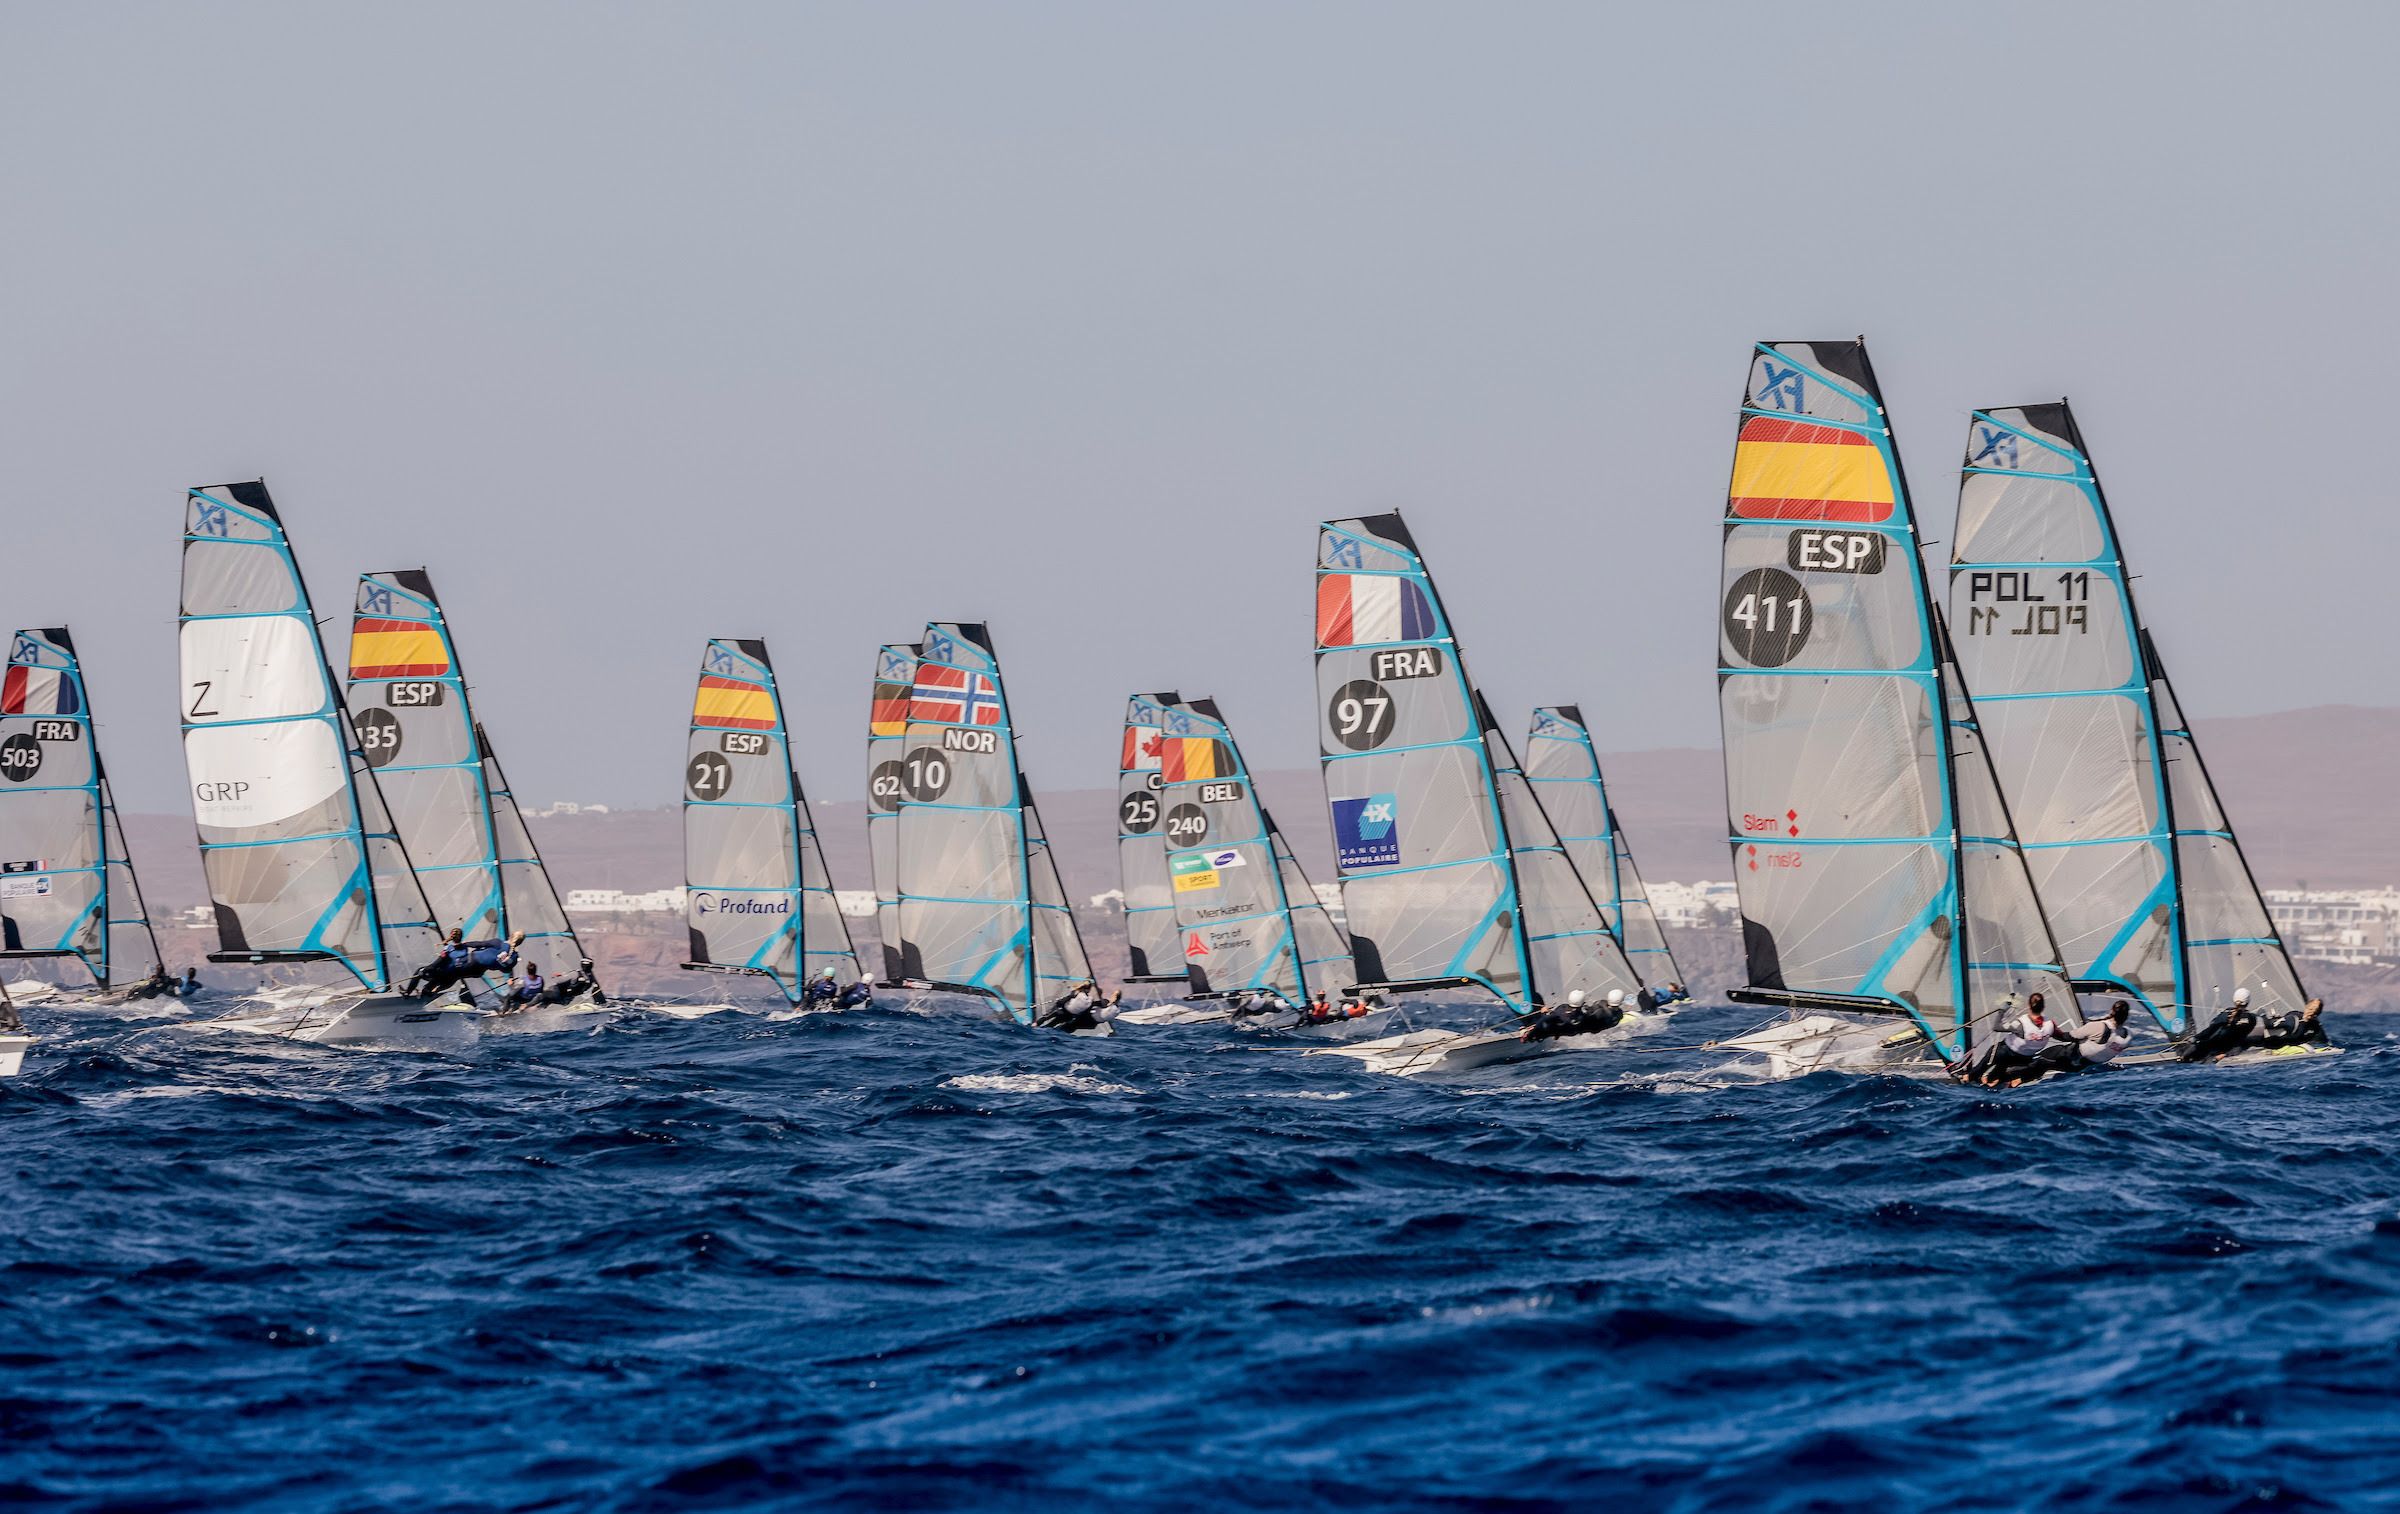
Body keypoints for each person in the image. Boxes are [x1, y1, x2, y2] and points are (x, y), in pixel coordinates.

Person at [1968, 992, 2069, 1085]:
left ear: (2029, 1006)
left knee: (1994, 1055)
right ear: (2043, 1007)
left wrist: (2002, 1011)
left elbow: (1996, 1027)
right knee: (2001, 1065)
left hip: (2005, 1053)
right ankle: (1992, 1079)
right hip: (2023, 1059)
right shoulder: (2050, 1025)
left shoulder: (2020, 1024)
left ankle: (1970, 1077)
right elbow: (2063, 1037)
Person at [2178, 988, 2261, 1062]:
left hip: (2213, 1045)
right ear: (2248, 1001)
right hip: (2230, 1048)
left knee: (2202, 1043)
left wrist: (2195, 1037)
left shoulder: (2226, 1013)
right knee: (2246, 1042)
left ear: (2234, 999)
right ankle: (2222, 1056)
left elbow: (2210, 1029)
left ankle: (2183, 1056)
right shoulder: (2252, 1018)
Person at [2254, 997, 2330, 1051]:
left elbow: (2268, 1024)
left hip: (2285, 1047)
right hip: (2279, 1045)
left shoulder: (2314, 1025)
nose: (2312, 1013)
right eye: (2311, 1010)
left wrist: (2262, 1013)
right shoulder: (2295, 1020)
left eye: (2315, 1011)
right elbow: (2269, 1024)